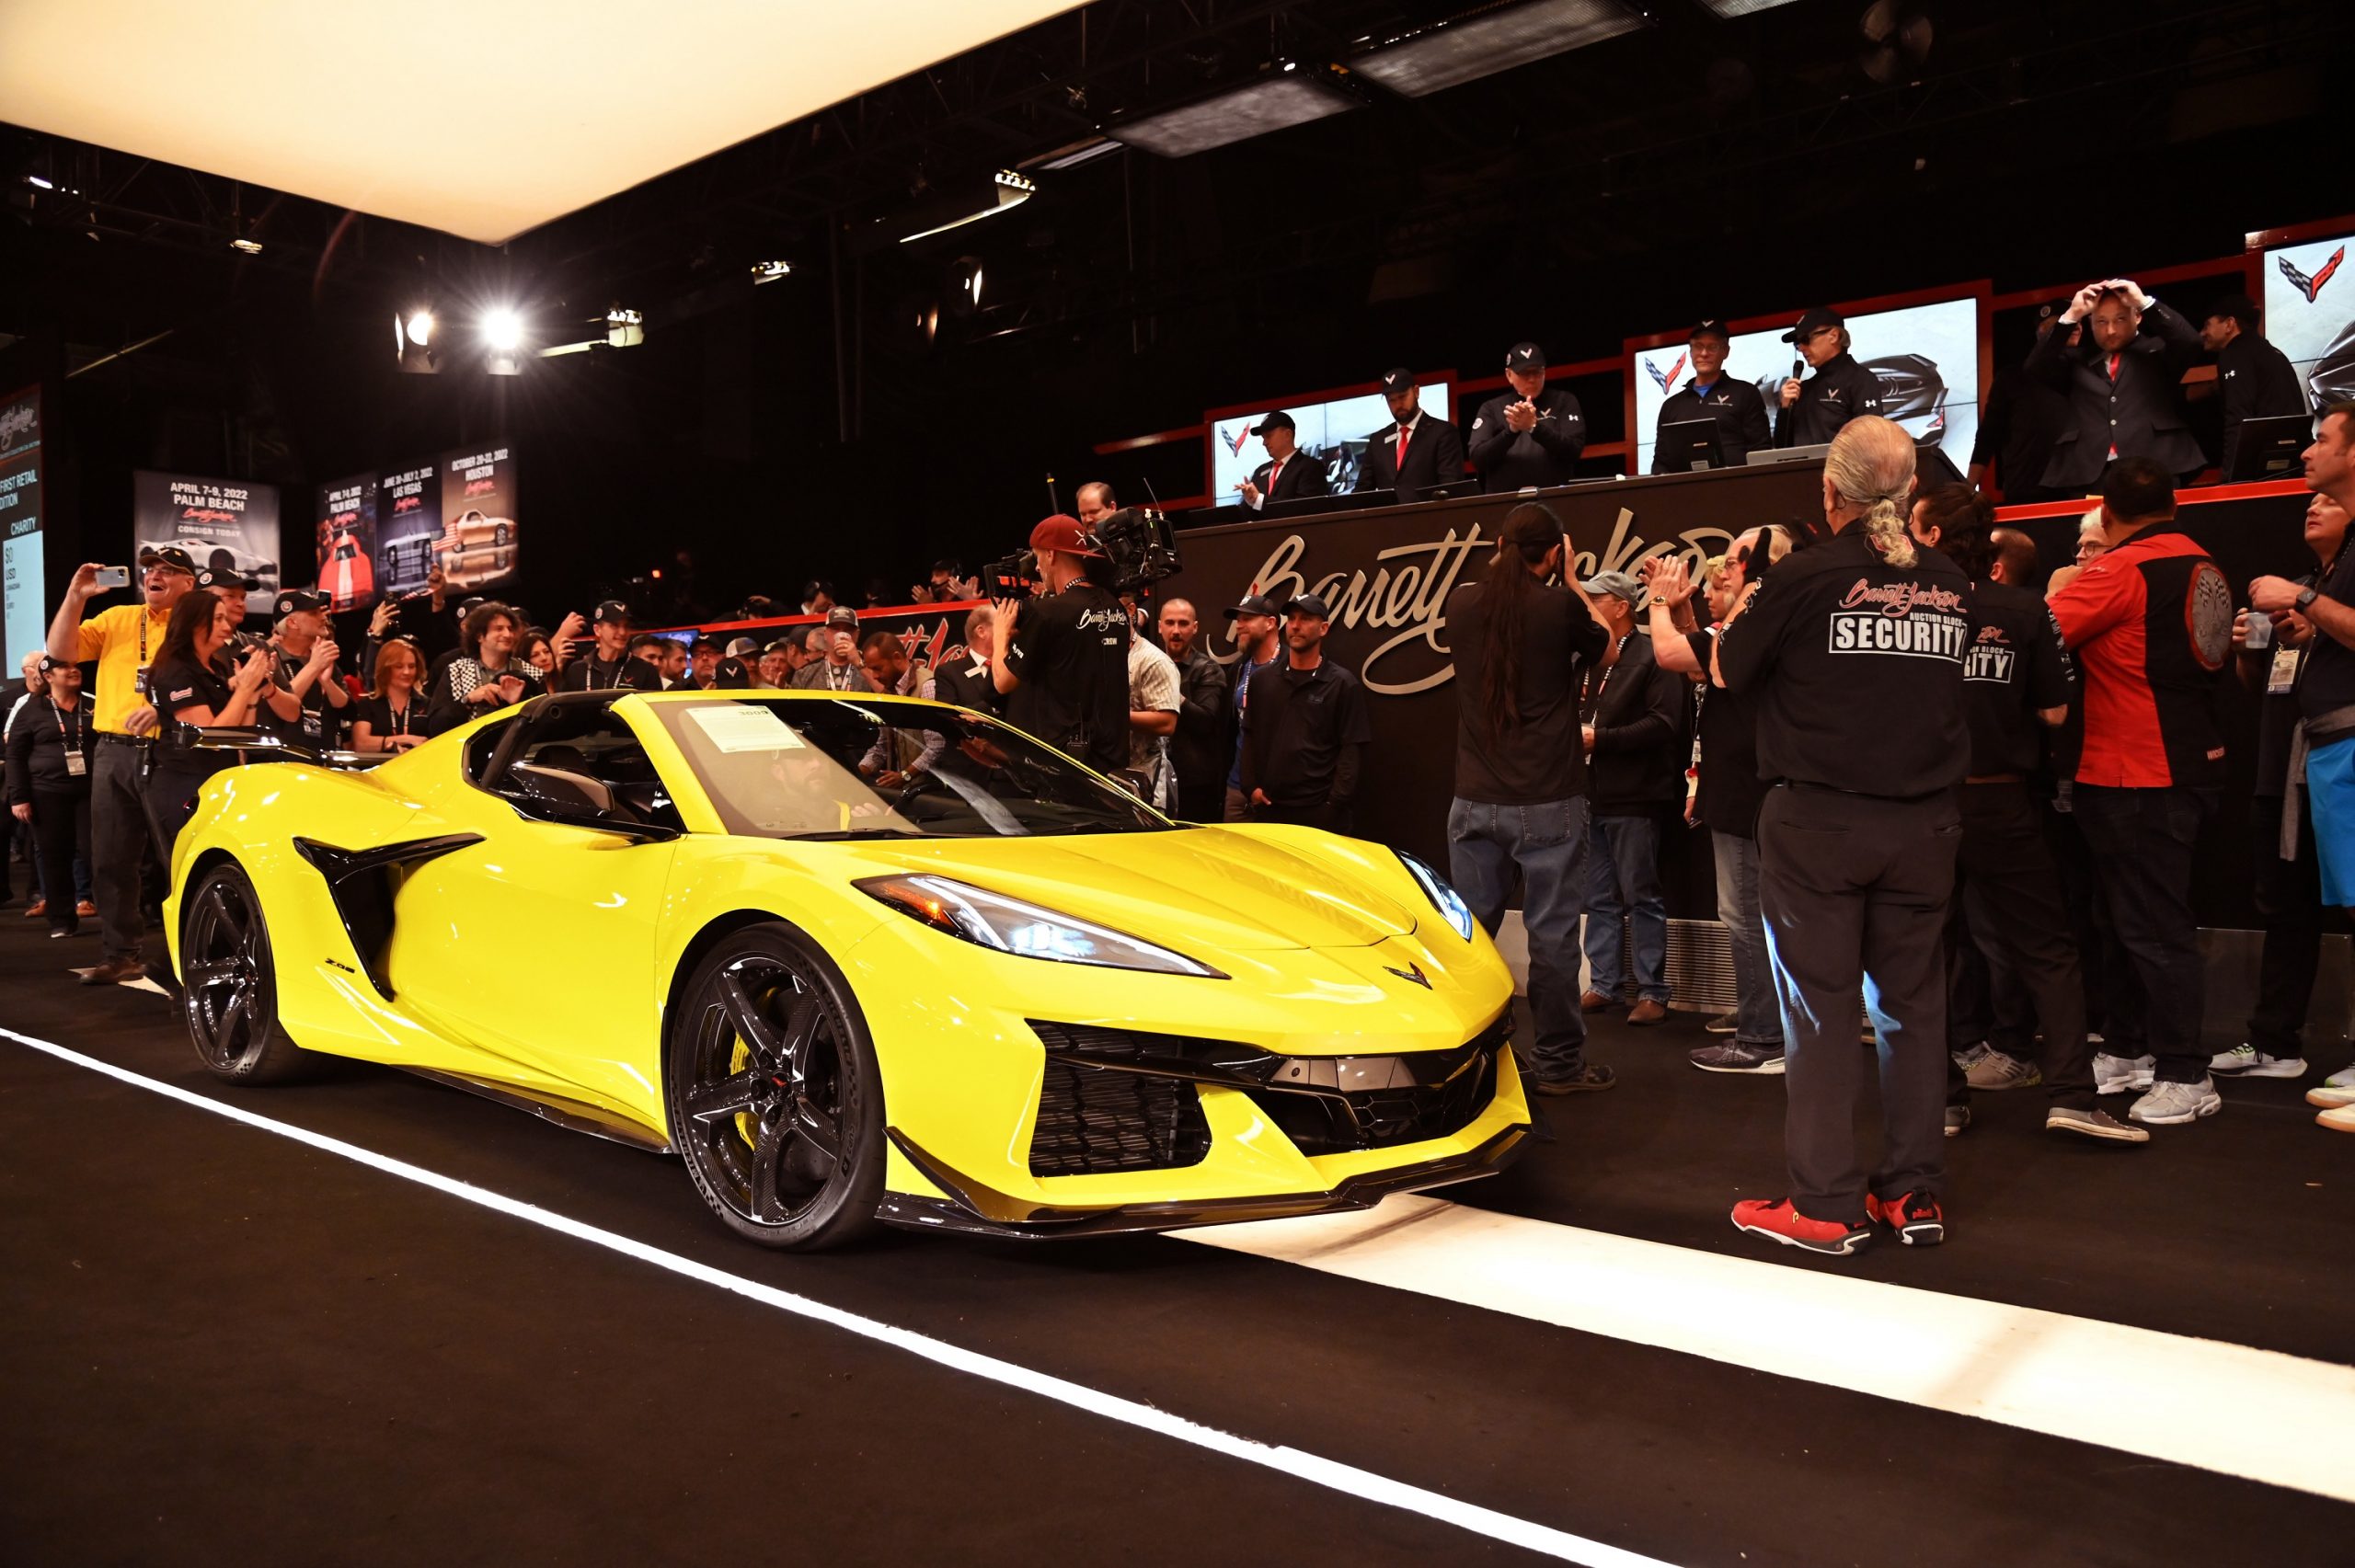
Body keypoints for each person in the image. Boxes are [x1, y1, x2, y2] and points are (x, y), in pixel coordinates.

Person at [1717, 417, 1971, 1255]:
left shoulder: (1803, 577)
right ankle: (1914, 1192)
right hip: (1924, 824)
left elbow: (1728, 671)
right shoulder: (1949, 580)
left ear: (1830, 492)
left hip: (1820, 821)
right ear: (1907, 496)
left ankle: (1826, 1203)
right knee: (1912, 1008)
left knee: (1820, 1012)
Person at [1907, 486, 2147, 1142]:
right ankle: (2071, 1092)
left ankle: (1944, 1100)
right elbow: (2055, 711)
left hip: (1925, 804)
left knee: (1928, 950)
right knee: (2047, 948)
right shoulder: (2022, 609)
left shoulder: (1909, 608)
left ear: (1929, 536)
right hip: (2002, 796)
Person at [2048, 458, 2233, 1126]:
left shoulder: (2119, 570)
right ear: (2174, 504)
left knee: (2152, 927)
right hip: (2181, 761)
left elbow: (2038, 636)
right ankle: (2128, 1048)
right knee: (2127, 921)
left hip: (2137, 769)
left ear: (2107, 512)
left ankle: (2185, 1069)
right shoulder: (2204, 560)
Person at [1443, 502, 1614, 1092]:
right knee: (1552, 939)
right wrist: (1570, 581)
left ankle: (1454, 1058)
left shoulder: (1462, 602)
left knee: (1464, 938)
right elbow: (1608, 649)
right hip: (1548, 798)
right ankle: (1560, 1065)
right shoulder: (1560, 604)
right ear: (1556, 553)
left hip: (1474, 799)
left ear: (1499, 544)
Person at [1647, 530, 1788, 1073]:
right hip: (1739, 790)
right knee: (1753, 916)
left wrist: (1659, 600)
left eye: (1734, 561)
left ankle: (1762, 1038)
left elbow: (1668, 654)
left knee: (1746, 917)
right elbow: (1702, 662)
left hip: (1748, 794)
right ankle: (1765, 1023)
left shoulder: (1755, 626)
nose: (1722, 571)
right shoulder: (1749, 629)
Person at [2223, 488, 2349, 1086]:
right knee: (2283, 907)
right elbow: (2263, 684)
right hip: (2280, 769)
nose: (2315, 504)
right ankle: (2276, 1041)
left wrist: (2306, 602)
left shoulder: (2322, 592)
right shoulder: (2297, 587)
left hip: (2334, 761)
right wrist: (2247, 645)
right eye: (2312, 500)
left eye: (2331, 499)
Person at [47, 545, 201, 985]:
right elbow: (61, 652)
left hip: (172, 750)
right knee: (111, 858)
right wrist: (77, 596)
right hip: (114, 750)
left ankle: (189, 953)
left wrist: (166, 710)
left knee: (179, 858)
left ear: (189, 583)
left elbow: (214, 688)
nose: (156, 574)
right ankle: (120, 954)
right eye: (151, 568)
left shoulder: (198, 625)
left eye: (169, 570)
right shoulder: (117, 618)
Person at [1576, 570, 1685, 1026]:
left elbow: (1665, 724)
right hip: (1589, 796)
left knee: (1641, 895)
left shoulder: (1652, 653)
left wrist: (1601, 739)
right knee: (1598, 897)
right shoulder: (1588, 659)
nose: (1588, 610)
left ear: (1621, 607)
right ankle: (1604, 984)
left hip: (1636, 796)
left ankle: (1653, 991)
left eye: (1595, 601)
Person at [147, 587, 289, 857]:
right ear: (195, 623)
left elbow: (239, 732)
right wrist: (244, 688)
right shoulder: (175, 670)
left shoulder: (217, 667)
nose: (228, 626)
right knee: (189, 869)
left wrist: (253, 692)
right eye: (218, 619)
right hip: (184, 786)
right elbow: (208, 736)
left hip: (218, 782)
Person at [2028, 278, 2204, 491]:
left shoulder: (2158, 352)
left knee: (2156, 525)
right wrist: (2071, 315)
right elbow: (2034, 367)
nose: (2110, 330)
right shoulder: (2076, 361)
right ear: (2090, 323)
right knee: (2094, 526)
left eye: (2120, 319)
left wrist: (2143, 301)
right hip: (2090, 475)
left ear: (2137, 316)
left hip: (2154, 468)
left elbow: (2191, 342)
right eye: (2101, 322)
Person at [992, 515, 1132, 774]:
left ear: (1051, 555)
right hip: (1113, 760)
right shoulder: (1116, 608)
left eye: (1037, 557)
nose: (1036, 568)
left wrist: (1000, 635)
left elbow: (1003, 682)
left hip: (1067, 765)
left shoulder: (1049, 612)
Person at [1238, 594, 1370, 831]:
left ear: (1324, 628)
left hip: (1319, 814)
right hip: (1270, 810)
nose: (1296, 625)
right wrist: (1250, 788)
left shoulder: (1342, 684)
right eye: (1291, 618)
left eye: (1306, 619)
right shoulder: (1263, 680)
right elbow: (1249, 734)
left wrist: (1333, 804)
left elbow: (1351, 750)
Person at [6, 656, 95, 939]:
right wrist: (19, 797)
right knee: (55, 855)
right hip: (47, 793)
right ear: (48, 676)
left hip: (92, 790)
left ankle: (98, 904)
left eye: (76, 666)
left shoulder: (93, 703)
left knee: (94, 850)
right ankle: (61, 918)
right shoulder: (32, 708)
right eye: (65, 667)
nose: (73, 670)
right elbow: (15, 754)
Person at [1970, 306, 2077, 503]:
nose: (2075, 327)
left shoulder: (2090, 372)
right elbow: (1989, 435)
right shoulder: (2012, 377)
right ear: (2043, 331)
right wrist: (1968, 488)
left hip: (2078, 489)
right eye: (2063, 324)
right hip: (2027, 490)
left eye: (2078, 323)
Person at [2200, 292, 2303, 476]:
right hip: (2293, 460)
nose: (2202, 333)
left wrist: (2230, 476)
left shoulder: (2234, 354)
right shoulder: (2271, 351)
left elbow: (2238, 417)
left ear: (2229, 324)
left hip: (2260, 464)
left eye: (2207, 325)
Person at [1652, 320, 1771, 472]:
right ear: (1690, 351)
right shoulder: (1671, 405)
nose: (1704, 353)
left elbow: (1761, 450)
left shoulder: (1746, 393)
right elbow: (1661, 462)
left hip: (1736, 490)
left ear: (1726, 351)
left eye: (1712, 346)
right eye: (1698, 346)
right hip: (1685, 492)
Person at [1469, 343, 1584, 491]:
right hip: (1504, 503)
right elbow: (1478, 459)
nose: (1532, 379)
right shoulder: (1491, 408)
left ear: (1544, 372)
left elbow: (1573, 451)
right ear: (1509, 375)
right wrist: (1511, 431)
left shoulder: (1564, 401)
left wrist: (1534, 427)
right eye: (1524, 373)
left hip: (1555, 499)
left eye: (1537, 372)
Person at [1157, 598, 1231, 823]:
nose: (1176, 631)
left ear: (1195, 627)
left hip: (1195, 783)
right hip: (1155, 776)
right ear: (1160, 626)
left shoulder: (1208, 669)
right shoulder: (1151, 664)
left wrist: (1172, 694)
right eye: (1170, 623)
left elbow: (1206, 721)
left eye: (1183, 623)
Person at [1774, 308, 1883, 449]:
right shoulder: (1803, 389)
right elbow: (1781, 448)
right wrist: (1784, 409)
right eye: (1797, 343)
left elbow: (1872, 441)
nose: (1801, 348)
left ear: (1834, 336)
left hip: (1842, 470)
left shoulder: (1861, 380)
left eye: (1805, 339)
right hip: (1801, 470)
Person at [259, 589, 352, 753]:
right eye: (313, 613)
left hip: (323, 760)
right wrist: (313, 667)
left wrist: (327, 683)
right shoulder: (270, 658)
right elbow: (277, 709)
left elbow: (348, 710)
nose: (324, 617)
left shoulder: (321, 656)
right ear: (292, 623)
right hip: (279, 762)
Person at [430, 602, 546, 732]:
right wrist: (468, 699)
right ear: (479, 636)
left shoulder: (532, 673)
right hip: (469, 750)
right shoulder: (456, 672)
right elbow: (436, 726)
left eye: (510, 628)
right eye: (499, 629)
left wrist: (518, 703)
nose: (508, 634)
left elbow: (544, 724)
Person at [1221, 593, 1284, 821]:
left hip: (1274, 793)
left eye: (1247, 618)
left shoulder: (1290, 665)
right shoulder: (1239, 668)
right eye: (1238, 619)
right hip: (1237, 787)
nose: (1239, 625)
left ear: (1270, 623)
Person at [1359, 368, 1466, 502]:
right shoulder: (1377, 441)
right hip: (1388, 521)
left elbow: (1451, 487)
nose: (1398, 404)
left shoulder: (1442, 432)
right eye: (1392, 400)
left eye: (1403, 396)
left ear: (1416, 392)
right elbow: (1362, 491)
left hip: (1430, 519)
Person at [1126, 624, 1182, 808]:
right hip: (1104, 777)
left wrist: (1114, 715)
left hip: (1145, 785)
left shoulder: (1153, 660)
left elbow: (1166, 723)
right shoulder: (1099, 653)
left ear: (1130, 611)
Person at [557, 601, 661, 692]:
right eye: (615, 625)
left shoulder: (646, 670)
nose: (623, 632)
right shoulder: (577, 670)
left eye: (626, 626)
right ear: (598, 630)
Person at [1237, 414, 1330, 512]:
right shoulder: (1260, 472)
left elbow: (1306, 507)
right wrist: (1249, 501)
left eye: (1268, 436)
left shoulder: (1310, 466)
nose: (1264, 443)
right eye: (1263, 438)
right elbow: (1250, 513)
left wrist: (1259, 500)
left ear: (1287, 435)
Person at [350, 640, 429, 753]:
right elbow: (361, 744)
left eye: (411, 666)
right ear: (385, 669)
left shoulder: (428, 704)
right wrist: (406, 739)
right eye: (399, 666)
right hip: (376, 769)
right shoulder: (367, 704)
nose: (406, 672)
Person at [791, 609, 880, 693]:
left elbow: (887, 697)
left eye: (848, 630)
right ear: (825, 634)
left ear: (857, 635)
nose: (841, 635)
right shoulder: (804, 674)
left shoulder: (874, 672)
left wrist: (859, 664)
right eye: (835, 629)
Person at [933, 607, 999, 715]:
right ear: (981, 632)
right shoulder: (949, 672)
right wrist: (994, 706)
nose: (1009, 631)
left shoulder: (1014, 664)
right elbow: (949, 716)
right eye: (1001, 625)